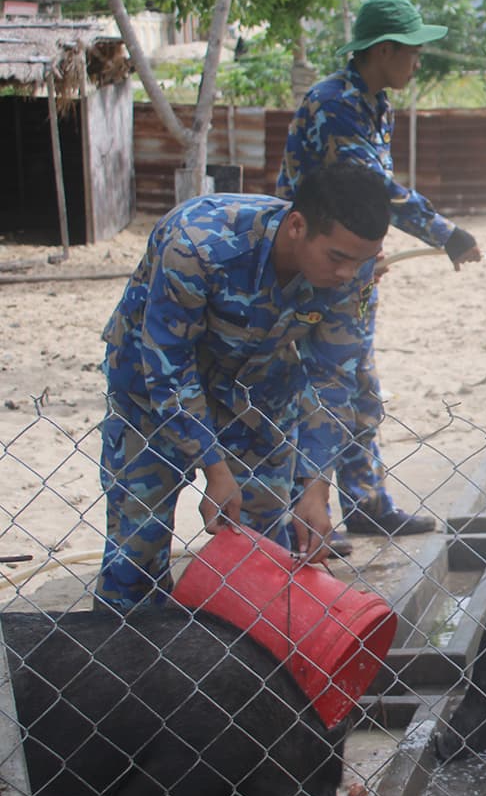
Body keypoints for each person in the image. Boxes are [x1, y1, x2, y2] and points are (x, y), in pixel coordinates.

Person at [97, 165, 391, 612]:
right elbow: (169, 370)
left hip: (256, 389)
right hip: (151, 390)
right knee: (137, 543)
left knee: (264, 550)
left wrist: (315, 489)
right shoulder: (199, 244)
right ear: (297, 226)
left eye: (361, 261)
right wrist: (215, 470)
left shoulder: (353, 268)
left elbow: (333, 378)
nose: (349, 274)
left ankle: (252, 667)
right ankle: (123, 660)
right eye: (337, 258)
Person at [278, 0, 482, 543]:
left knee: (361, 388)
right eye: (414, 50)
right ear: (385, 50)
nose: (420, 60)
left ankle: (365, 502)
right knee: (325, 386)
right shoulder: (336, 104)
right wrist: (445, 234)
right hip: (323, 267)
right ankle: (304, 514)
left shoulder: (374, 103)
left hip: (356, 269)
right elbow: (377, 192)